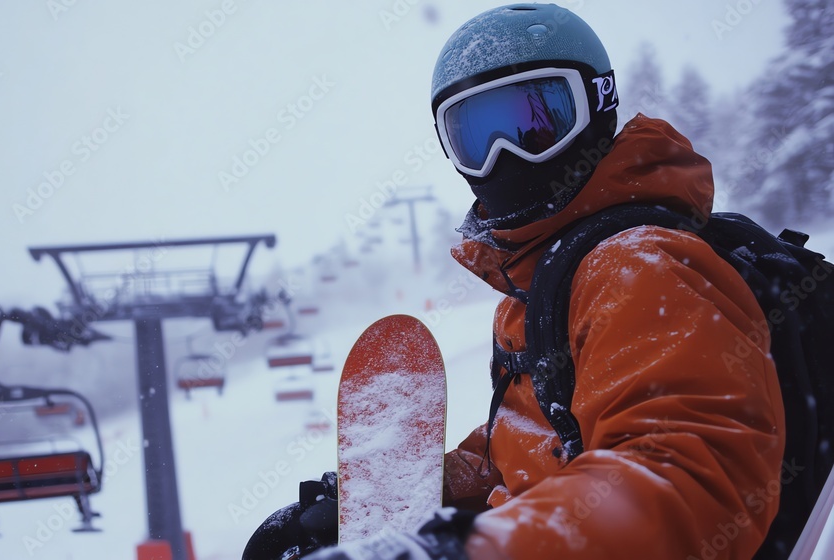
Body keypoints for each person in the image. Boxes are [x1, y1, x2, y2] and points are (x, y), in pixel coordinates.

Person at [246, 4, 786, 559]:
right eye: (476, 136)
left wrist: (467, 548)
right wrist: (423, 496)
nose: (506, 155)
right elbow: (539, 452)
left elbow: (686, 473)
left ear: (597, 106)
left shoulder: (640, 268)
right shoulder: (545, 284)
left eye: (537, 121)